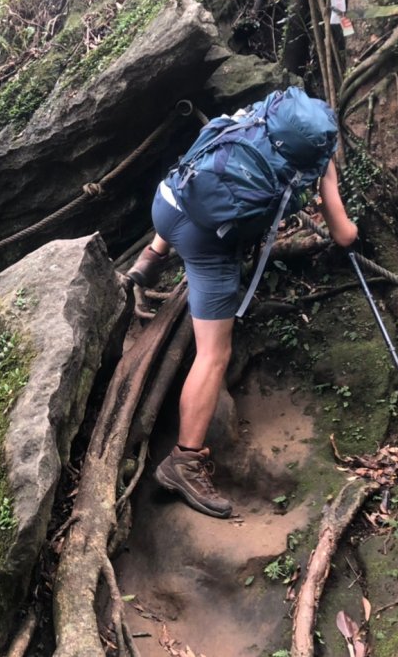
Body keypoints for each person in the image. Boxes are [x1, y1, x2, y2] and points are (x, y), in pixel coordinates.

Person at [128, 152, 358, 518]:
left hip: (166, 201)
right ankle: (183, 462)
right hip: (204, 241)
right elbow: (343, 234)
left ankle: (153, 255)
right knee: (213, 353)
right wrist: (331, 187)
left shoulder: (255, 122)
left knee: (194, 204)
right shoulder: (317, 157)